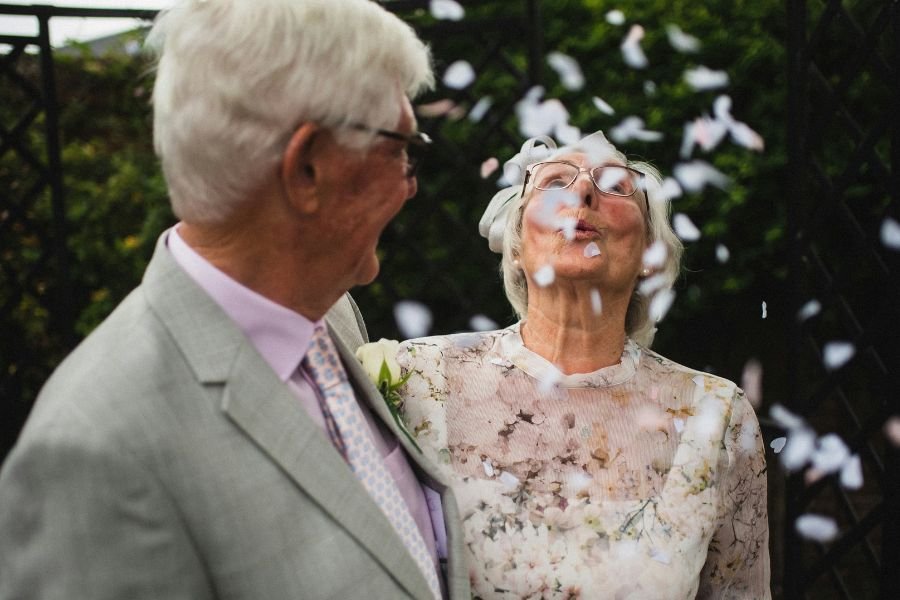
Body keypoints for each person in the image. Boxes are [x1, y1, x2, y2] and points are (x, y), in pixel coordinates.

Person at [0, 1, 470, 598]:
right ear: (308, 169)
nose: (411, 184)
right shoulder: (96, 453)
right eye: (401, 148)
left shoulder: (328, 314)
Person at [387, 132, 770, 598]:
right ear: (515, 246)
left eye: (614, 184)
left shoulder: (717, 415)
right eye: (553, 182)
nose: (583, 193)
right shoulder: (416, 381)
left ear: (650, 252)